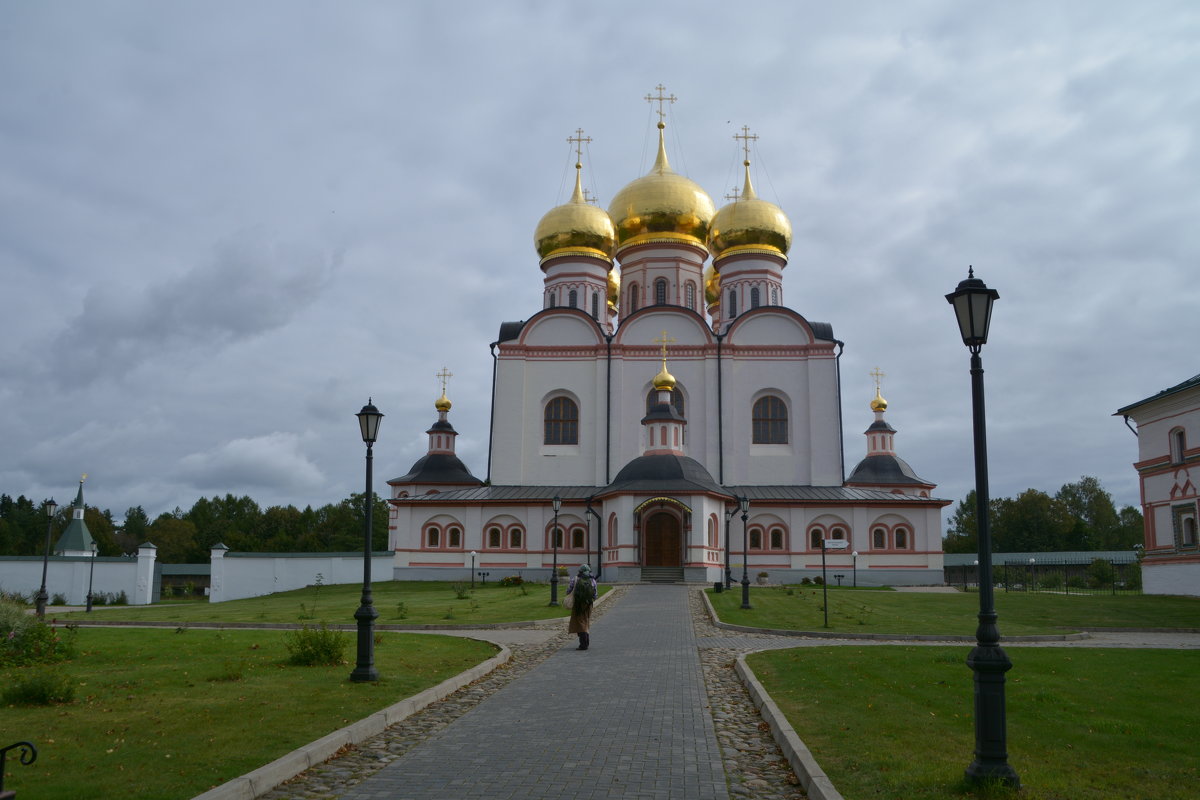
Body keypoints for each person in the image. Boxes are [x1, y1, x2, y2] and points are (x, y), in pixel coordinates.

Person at [566, 563, 597, 650]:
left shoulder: (575, 579)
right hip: (589, 604)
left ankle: (583, 644)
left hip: (578, 604)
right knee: (586, 621)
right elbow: (595, 594)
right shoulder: (593, 580)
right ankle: (586, 642)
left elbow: (568, 591)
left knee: (580, 622)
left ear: (580, 571)